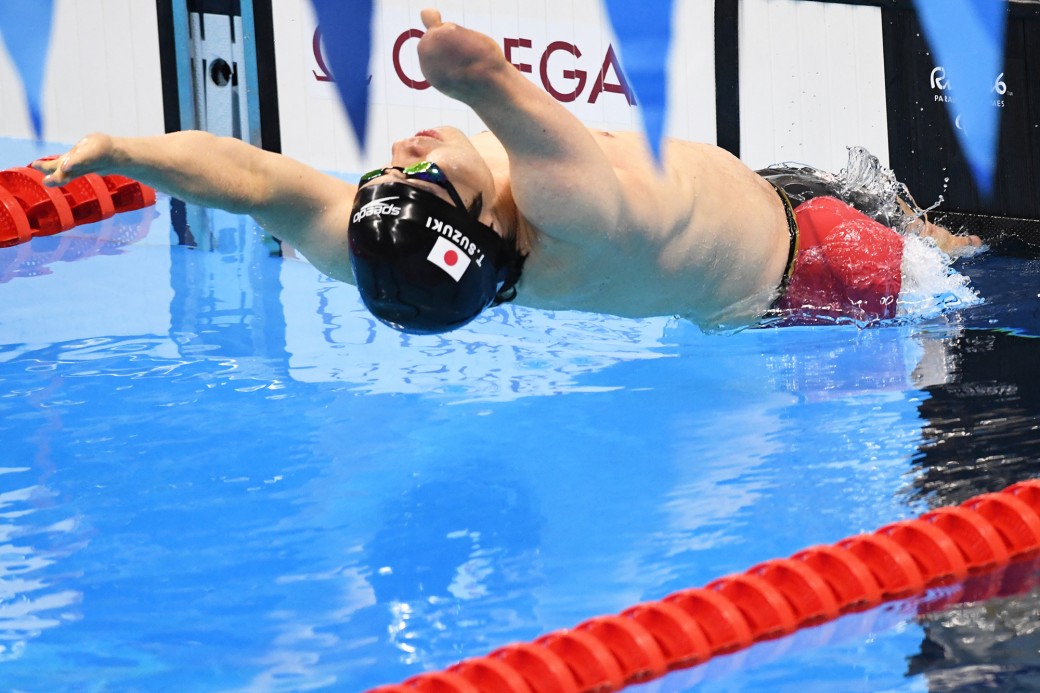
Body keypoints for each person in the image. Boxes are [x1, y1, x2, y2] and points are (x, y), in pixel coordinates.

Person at [32, 8, 980, 334]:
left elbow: (248, 180)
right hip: (822, 271)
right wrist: (459, 69)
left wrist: (123, 152)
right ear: (485, 218)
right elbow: (490, 79)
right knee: (977, 269)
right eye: (426, 173)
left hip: (765, 218)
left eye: (389, 174)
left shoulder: (384, 245)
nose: (402, 153)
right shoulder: (572, 206)